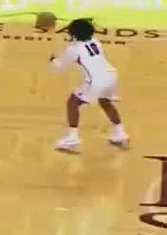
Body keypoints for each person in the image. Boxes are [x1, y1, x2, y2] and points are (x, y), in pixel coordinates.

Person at [50, 18, 129, 152]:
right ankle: (120, 133)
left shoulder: (73, 50)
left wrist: (53, 60)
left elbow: (59, 68)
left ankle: (72, 138)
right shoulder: (95, 42)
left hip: (96, 81)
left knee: (72, 102)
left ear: (73, 34)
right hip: (111, 76)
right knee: (105, 102)